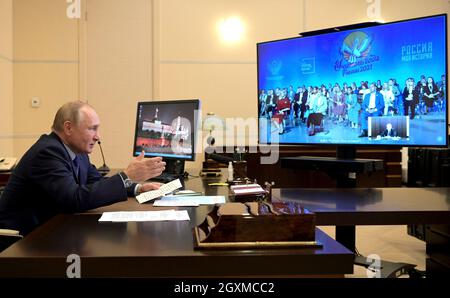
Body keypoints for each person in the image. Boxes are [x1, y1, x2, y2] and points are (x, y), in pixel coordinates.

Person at [0, 101, 166, 236]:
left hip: (51, 229)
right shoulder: (48, 152)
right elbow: (74, 199)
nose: (97, 136)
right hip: (22, 241)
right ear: (68, 128)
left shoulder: (76, 151)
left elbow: (96, 181)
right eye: (92, 128)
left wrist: (138, 188)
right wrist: (126, 175)